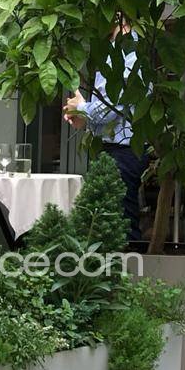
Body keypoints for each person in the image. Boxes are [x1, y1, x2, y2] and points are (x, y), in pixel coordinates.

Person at [63, 15, 152, 242]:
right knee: (113, 222)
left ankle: (131, 264)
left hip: (125, 149)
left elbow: (114, 104)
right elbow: (116, 107)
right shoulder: (116, 48)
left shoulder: (128, 49)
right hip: (118, 147)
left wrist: (81, 108)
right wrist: (85, 118)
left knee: (122, 224)